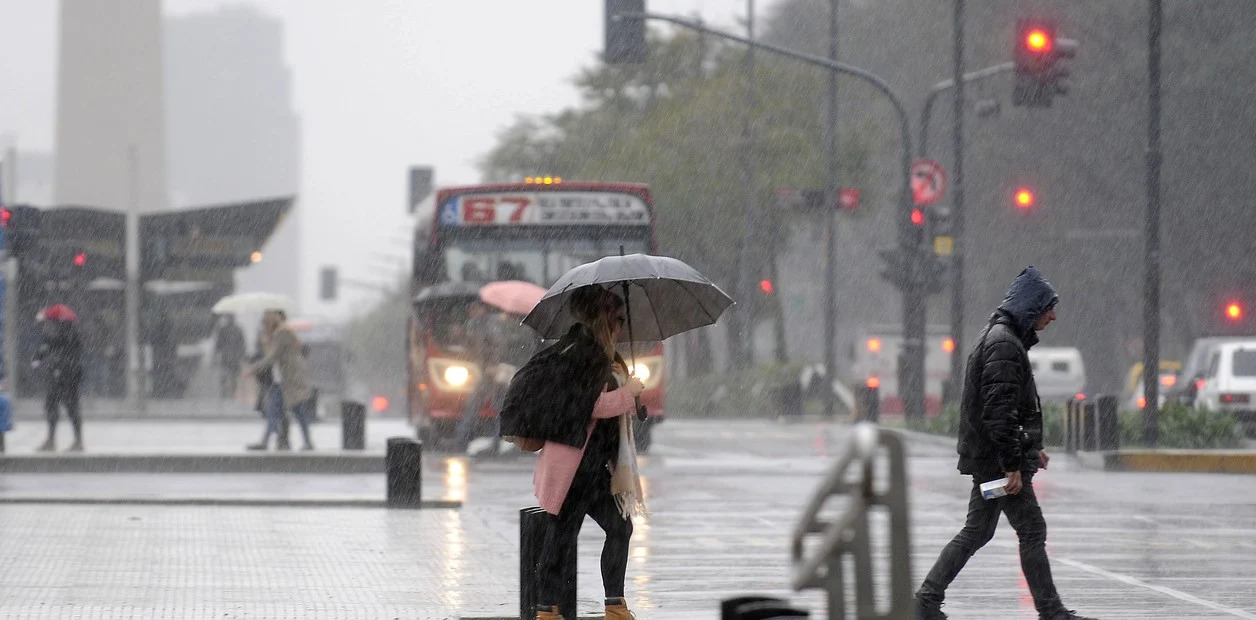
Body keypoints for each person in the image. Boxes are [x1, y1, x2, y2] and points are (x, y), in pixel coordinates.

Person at [915, 266, 1095, 620]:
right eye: (1048, 307)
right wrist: (1013, 463)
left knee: (977, 531)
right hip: (998, 463)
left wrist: (1029, 449)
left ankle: (926, 600)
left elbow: (1004, 407)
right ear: (1030, 307)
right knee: (1031, 529)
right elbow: (999, 410)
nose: (1053, 315)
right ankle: (1051, 612)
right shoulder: (1004, 345)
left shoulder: (1001, 339)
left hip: (991, 458)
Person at [532, 286, 645, 620]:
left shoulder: (598, 352)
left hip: (591, 465)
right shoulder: (581, 353)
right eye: (618, 319)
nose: (621, 326)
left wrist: (630, 394)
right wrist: (628, 393)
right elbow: (590, 405)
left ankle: (610, 606)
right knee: (564, 535)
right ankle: (549, 610)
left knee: (610, 528)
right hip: (575, 465)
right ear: (603, 318)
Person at [246, 310, 315, 451]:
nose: (263, 327)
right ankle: (266, 441)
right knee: (274, 410)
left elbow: (272, 357)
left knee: (298, 411)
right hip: (281, 381)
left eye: (264, 323)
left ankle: (306, 442)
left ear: (270, 323)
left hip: (290, 380)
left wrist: (253, 369)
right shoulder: (276, 335)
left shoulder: (281, 334)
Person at [453, 301, 508, 451]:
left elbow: (498, 344)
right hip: (483, 370)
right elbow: (471, 346)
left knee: (492, 405)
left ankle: (464, 438)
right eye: (470, 309)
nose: (472, 312)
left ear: (482, 309)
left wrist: (493, 364)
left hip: (492, 371)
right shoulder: (473, 324)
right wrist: (461, 336)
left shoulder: (491, 323)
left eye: (474, 309)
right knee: (488, 405)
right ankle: (464, 438)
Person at [32, 305, 85, 452]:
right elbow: (49, 346)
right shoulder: (72, 330)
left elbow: (49, 345)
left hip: (60, 373)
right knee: (70, 407)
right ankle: (77, 441)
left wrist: (43, 320)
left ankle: (52, 440)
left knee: (54, 406)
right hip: (69, 374)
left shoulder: (57, 330)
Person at [215, 314, 247, 400]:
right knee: (228, 375)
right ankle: (227, 392)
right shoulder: (227, 329)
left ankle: (228, 392)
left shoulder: (226, 329)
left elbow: (242, 343)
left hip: (230, 356)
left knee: (231, 375)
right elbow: (219, 343)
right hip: (230, 356)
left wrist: (242, 354)